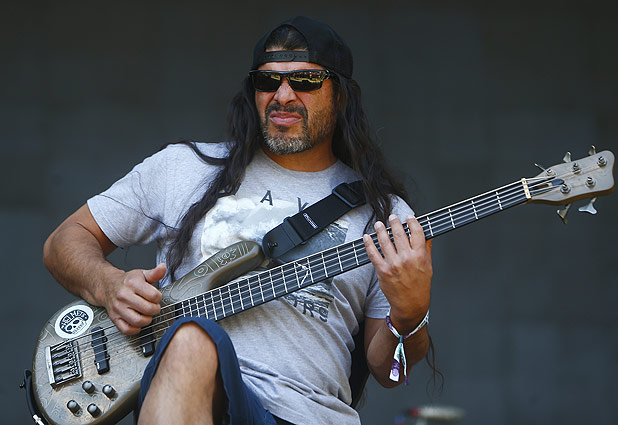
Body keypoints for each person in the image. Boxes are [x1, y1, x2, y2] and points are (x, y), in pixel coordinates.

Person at [43, 16, 433, 425]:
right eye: (268, 81)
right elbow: (63, 242)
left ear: (341, 97)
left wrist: (409, 315)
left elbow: (391, 374)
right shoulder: (183, 168)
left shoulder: (387, 219)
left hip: (307, 416)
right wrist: (108, 284)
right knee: (190, 338)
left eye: (305, 81)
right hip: (190, 401)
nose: (283, 95)